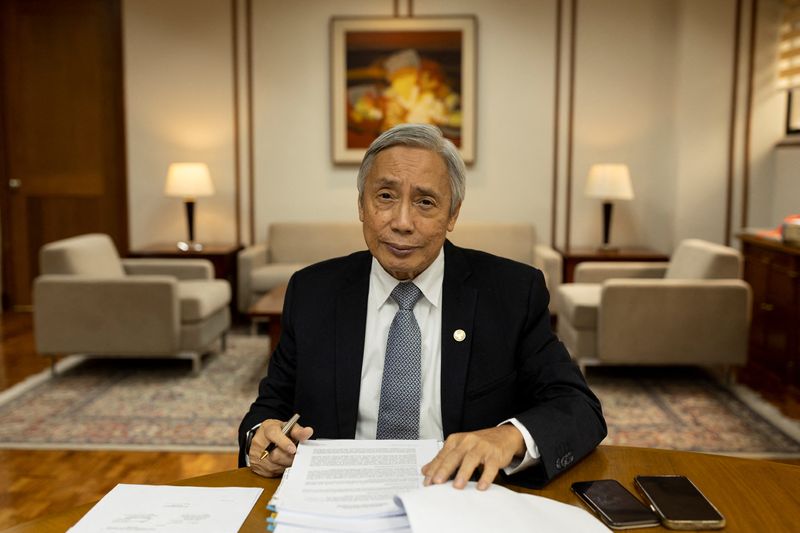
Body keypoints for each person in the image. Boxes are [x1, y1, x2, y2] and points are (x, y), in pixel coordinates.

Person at [238, 124, 606, 489]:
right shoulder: (313, 291)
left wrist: (507, 437)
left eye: (425, 202)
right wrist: (263, 438)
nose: (401, 223)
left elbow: (578, 407)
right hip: (339, 498)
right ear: (361, 205)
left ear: (453, 214)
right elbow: (269, 409)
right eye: (385, 196)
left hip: (462, 496)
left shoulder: (511, 293)